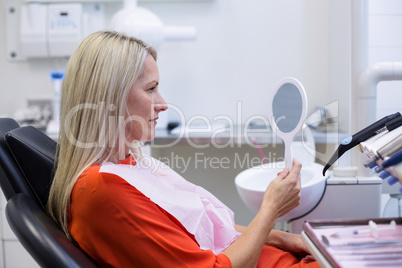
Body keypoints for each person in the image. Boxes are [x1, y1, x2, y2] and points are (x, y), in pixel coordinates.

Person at [47, 30, 319, 268]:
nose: (163, 103)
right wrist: (270, 209)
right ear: (111, 97)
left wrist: (285, 239)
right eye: (150, 89)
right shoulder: (102, 190)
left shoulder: (127, 165)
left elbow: (206, 228)